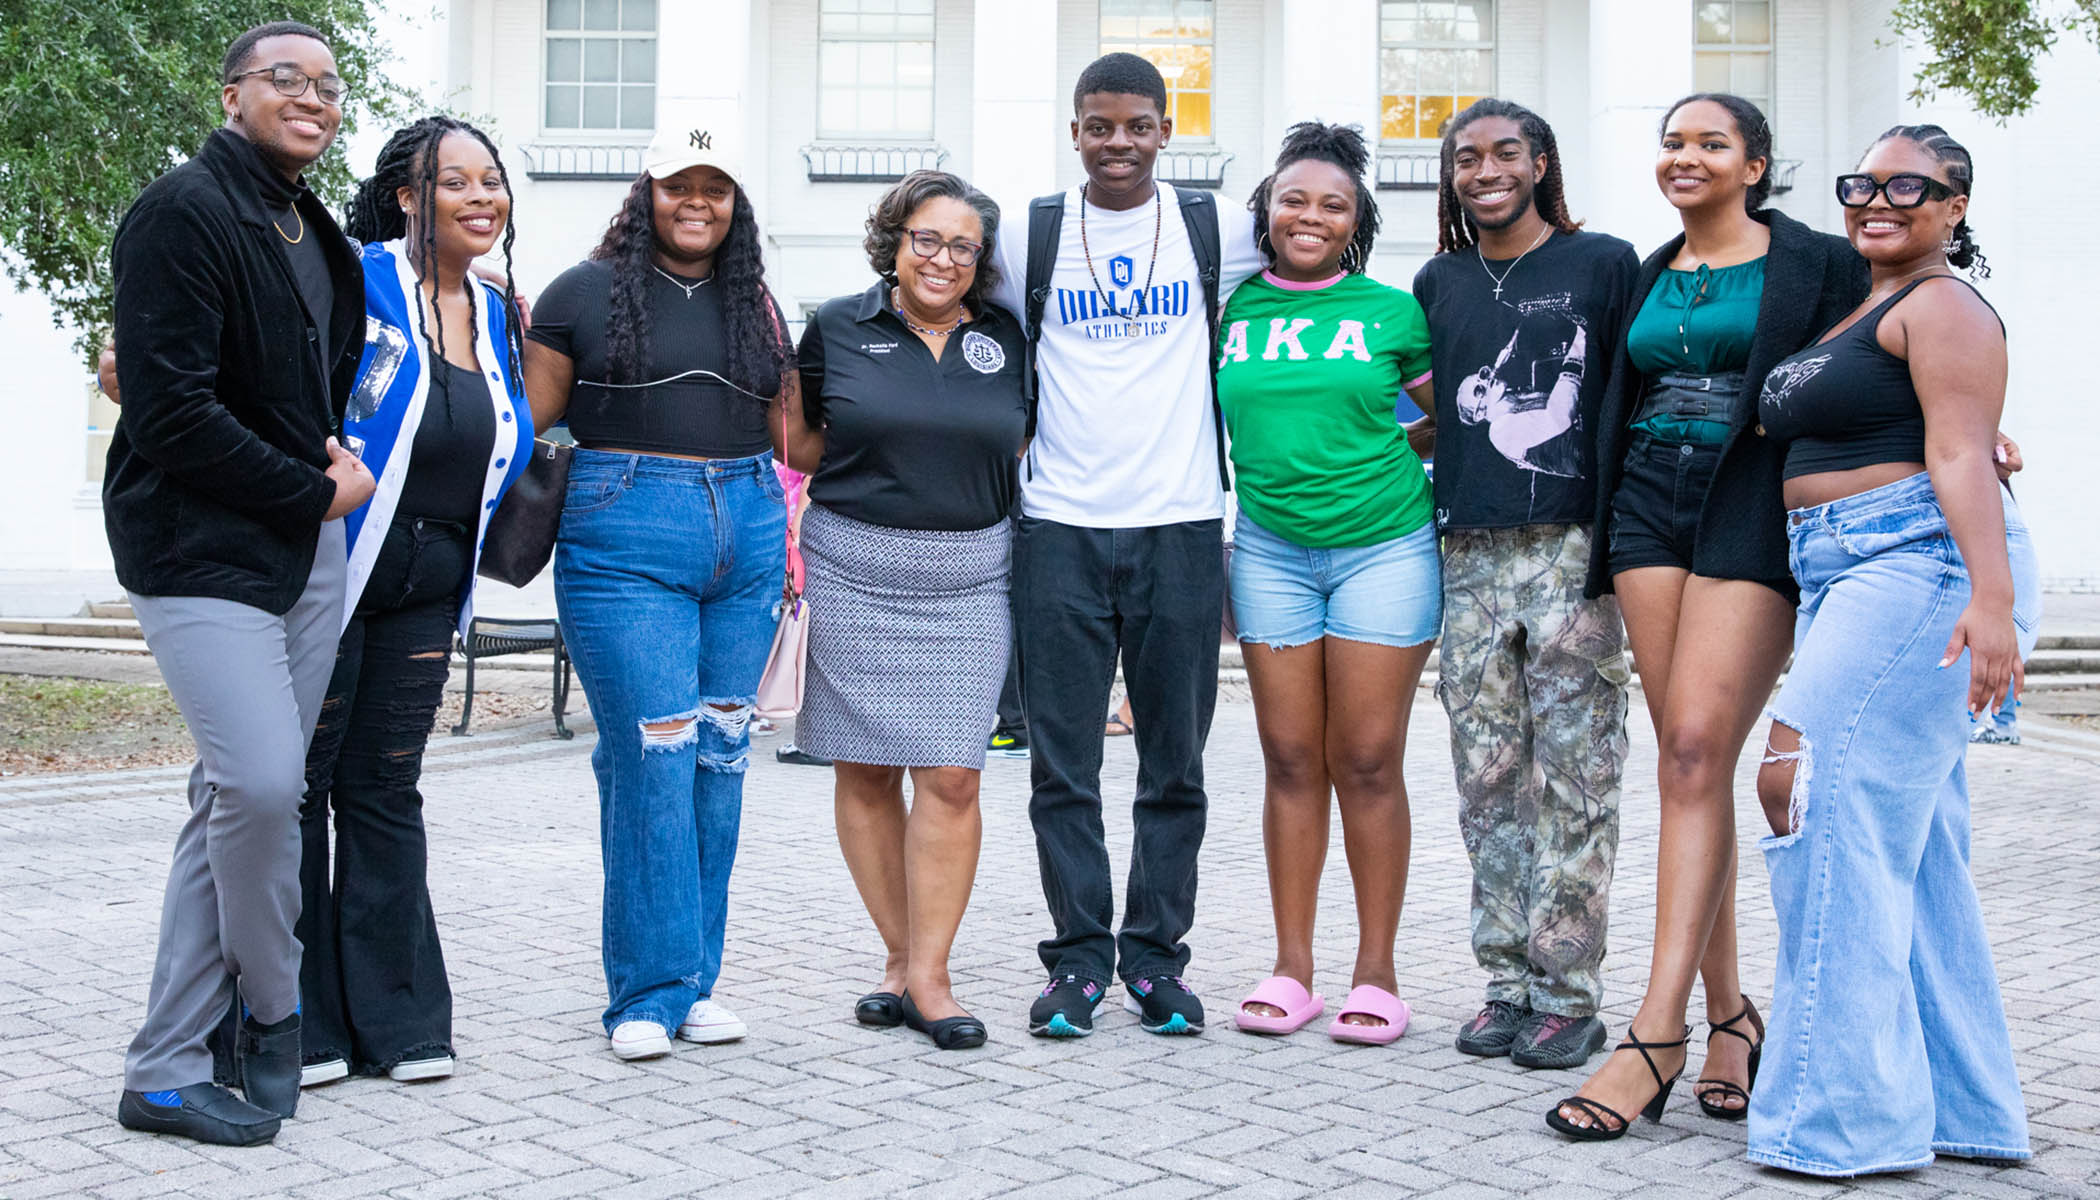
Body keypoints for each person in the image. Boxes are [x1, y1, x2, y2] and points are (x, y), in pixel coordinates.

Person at [1545, 94, 1867, 1134]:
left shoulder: (1815, 261)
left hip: (1748, 500)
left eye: (1709, 144)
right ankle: (1732, 1017)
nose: (1685, 157)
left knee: (1691, 747)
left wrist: (1972, 431)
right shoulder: (1649, 269)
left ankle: (1655, 1032)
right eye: (1672, 143)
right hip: (1645, 501)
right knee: (1692, 768)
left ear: (1755, 164)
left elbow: (1893, 337)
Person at [1743, 126, 2038, 1176]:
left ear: (1956, 205)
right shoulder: (1861, 300)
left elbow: (1961, 451)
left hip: (1920, 566)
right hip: (1846, 571)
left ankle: (1840, 1124)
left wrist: (1993, 603)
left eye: (1908, 185)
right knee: (1912, 849)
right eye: (1861, 184)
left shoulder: (1944, 304)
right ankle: (1964, 1107)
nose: (1878, 199)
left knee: (1802, 787)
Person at [106, 21, 372, 1146]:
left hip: (301, 551)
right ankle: (274, 1004)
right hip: (199, 547)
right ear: (230, 97)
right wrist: (311, 492)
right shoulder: (182, 212)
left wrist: (324, 480)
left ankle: (169, 1066)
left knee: (231, 804)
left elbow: (300, 389)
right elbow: (167, 412)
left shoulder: (312, 225)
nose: (310, 95)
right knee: (263, 789)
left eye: (327, 82)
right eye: (284, 78)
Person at [989, 53, 1263, 1038]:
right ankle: (1077, 960)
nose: (1117, 142)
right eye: (1099, 126)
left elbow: (1321, 262)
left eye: (1137, 125)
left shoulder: (1217, 226)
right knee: (1060, 764)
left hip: (1182, 525)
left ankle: (1155, 959)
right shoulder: (1029, 234)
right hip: (1057, 527)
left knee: (1174, 763)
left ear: (1164, 130)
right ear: (1075, 133)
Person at [522, 104, 791, 1061]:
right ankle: (645, 992)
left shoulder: (754, 299)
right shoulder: (580, 293)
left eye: (715, 190)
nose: (697, 203)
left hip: (749, 531)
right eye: (680, 185)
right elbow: (528, 427)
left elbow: (795, 435)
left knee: (720, 755)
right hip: (625, 528)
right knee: (655, 750)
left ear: (735, 204)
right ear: (648, 194)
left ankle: (694, 983)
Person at [289, 117, 532, 1089]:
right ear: (406, 195)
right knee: (301, 790)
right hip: (331, 577)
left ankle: (397, 1023)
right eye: (457, 182)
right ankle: (295, 1024)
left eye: (492, 183)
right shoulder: (353, 276)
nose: (482, 198)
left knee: (384, 791)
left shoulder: (498, 309)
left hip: (431, 589)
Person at [1410, 99, 1639, 1071]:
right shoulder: (1439, 280)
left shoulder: (1604, 265)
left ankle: (1568, 992)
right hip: (1467, 559)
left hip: (1573, 554)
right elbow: (1434, 417)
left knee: (1577, 783)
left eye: (1507, 152)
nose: (1487, 170)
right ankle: (1506, 984)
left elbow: (1643, 389)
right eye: (1468, 158)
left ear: (1541, 163)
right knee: (1488, 786)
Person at [785, 171, 1030, 1050]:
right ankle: (899, 959)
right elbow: (802, 442)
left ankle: (933, 974)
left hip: (970, 576)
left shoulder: (1006, 335)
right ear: (894, 239)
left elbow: (1024, 439)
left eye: (963, 246)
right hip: (854, 565)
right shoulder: (839, 327)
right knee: (861, 770)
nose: (944, 258)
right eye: (927, 239)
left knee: (953, 776)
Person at [1217, 123, 1437, 1045]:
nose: (1310, 215)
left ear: (1357, 223)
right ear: (1267, 210)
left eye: (1332, 204)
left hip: (1383, 550)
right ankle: (1294, 967)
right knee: (1290, 758)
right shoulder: (1228, 311)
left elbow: (1442, 417)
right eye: (1294, 199)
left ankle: (1377, 974)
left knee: (1369, 758)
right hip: (1269, 553)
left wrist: (1382, 461)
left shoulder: (1392, 312)